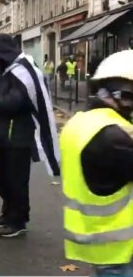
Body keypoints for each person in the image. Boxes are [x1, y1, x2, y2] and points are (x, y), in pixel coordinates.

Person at [0, 33, 60, 237]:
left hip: (18, 138)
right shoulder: (8, 72)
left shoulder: (23, 72)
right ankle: (8, 213)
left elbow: (15, 102)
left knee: (16, 181)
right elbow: (0, 98)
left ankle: (18, 220)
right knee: (2, 178)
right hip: (4, 136)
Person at [60, 50, 133, 277]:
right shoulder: (112, 135)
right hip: (119, 247)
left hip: (97, 237)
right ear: (123, 95)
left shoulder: (80, 122)